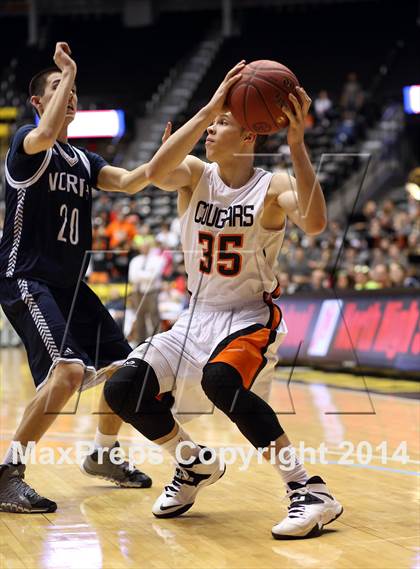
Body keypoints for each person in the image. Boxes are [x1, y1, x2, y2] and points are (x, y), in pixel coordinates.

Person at [104, 61, 343, 539]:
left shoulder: (272, 187)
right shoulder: (196, 174)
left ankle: (309, 490)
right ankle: (193, 466)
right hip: (196, 315)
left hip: (249, 315)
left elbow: (315, 223)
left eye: (223, 123)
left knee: (222, 381)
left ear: (251, 135)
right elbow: (154, 171)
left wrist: (297, 145)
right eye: (211, 123)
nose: (212, 128)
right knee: (122, 389)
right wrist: (210, 107)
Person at [0, 42, 152, 514]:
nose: (70, 95)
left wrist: (180, 145)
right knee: (67, 372)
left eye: (74, 90)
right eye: (58, 87)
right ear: (39, 102)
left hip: (69, 286)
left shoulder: (84, 161)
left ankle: (104, 454)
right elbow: (45, 134)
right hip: (26, 276)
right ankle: (9, 474)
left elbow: (133, 180)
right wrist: (68, 69)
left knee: (129, 373)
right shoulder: (28, 144)